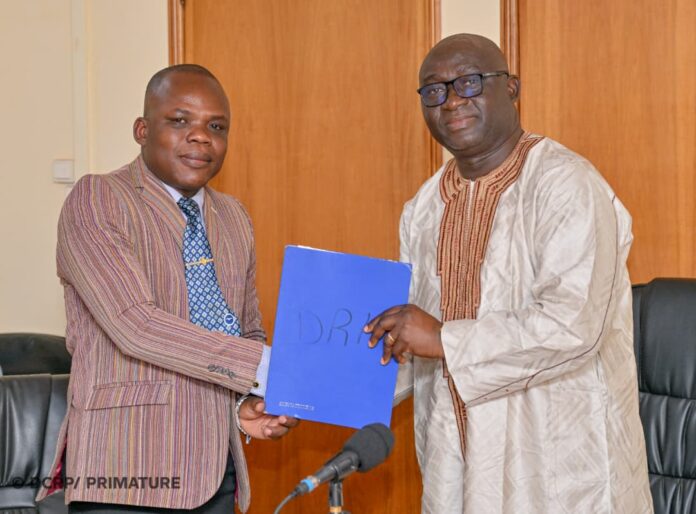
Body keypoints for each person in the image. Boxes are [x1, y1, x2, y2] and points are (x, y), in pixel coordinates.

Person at [365, 34, 653, 513]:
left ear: (512, 88)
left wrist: (444, 339)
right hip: (455, 454)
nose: (451, 100)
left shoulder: (566, 184)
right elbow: (412, 342)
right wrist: (312, 386)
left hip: (558, 461)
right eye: (434, 90)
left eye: (469, 82)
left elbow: (572, 325)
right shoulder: (423, 207)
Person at [37, 64, 298, 513]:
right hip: (125, 471)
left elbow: (245, 332)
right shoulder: (98, 199)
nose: (201, 137)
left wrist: (245, 404)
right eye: (180, 121)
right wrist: (270, 367)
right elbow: (136, 325)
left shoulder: (234, 217)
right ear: (142, 130)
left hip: (216, 473)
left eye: (216, 127)